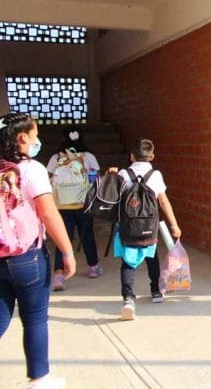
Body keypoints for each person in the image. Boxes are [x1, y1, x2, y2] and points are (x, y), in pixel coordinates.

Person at [0, 112, 76, 389]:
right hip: (27, 256)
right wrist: (66, 251)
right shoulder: (31, 169)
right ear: (22, 138)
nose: (37, 140)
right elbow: (47, 212)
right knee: (34, 318)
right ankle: (40, 378)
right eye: (35, 135)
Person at [113, 139, 181, 320]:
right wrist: (174, 224)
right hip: (149, 227)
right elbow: (163, 201)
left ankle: (128, 298)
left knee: (128, 262)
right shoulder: (155, 175)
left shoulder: (123, 174)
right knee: (151, 257)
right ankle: (156, 291)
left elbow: (114, 199)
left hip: (128, 226)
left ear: (132, 156)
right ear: (152, 156)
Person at [46, 126, 102, 290]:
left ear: (63, 139)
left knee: (62, 238)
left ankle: (58, 274)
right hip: (83, 202)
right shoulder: (88, 156)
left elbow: (49, 178)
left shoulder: (56, 158)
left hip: (62, 204)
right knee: (87, 235)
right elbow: (96, 177)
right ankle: (93, 267)